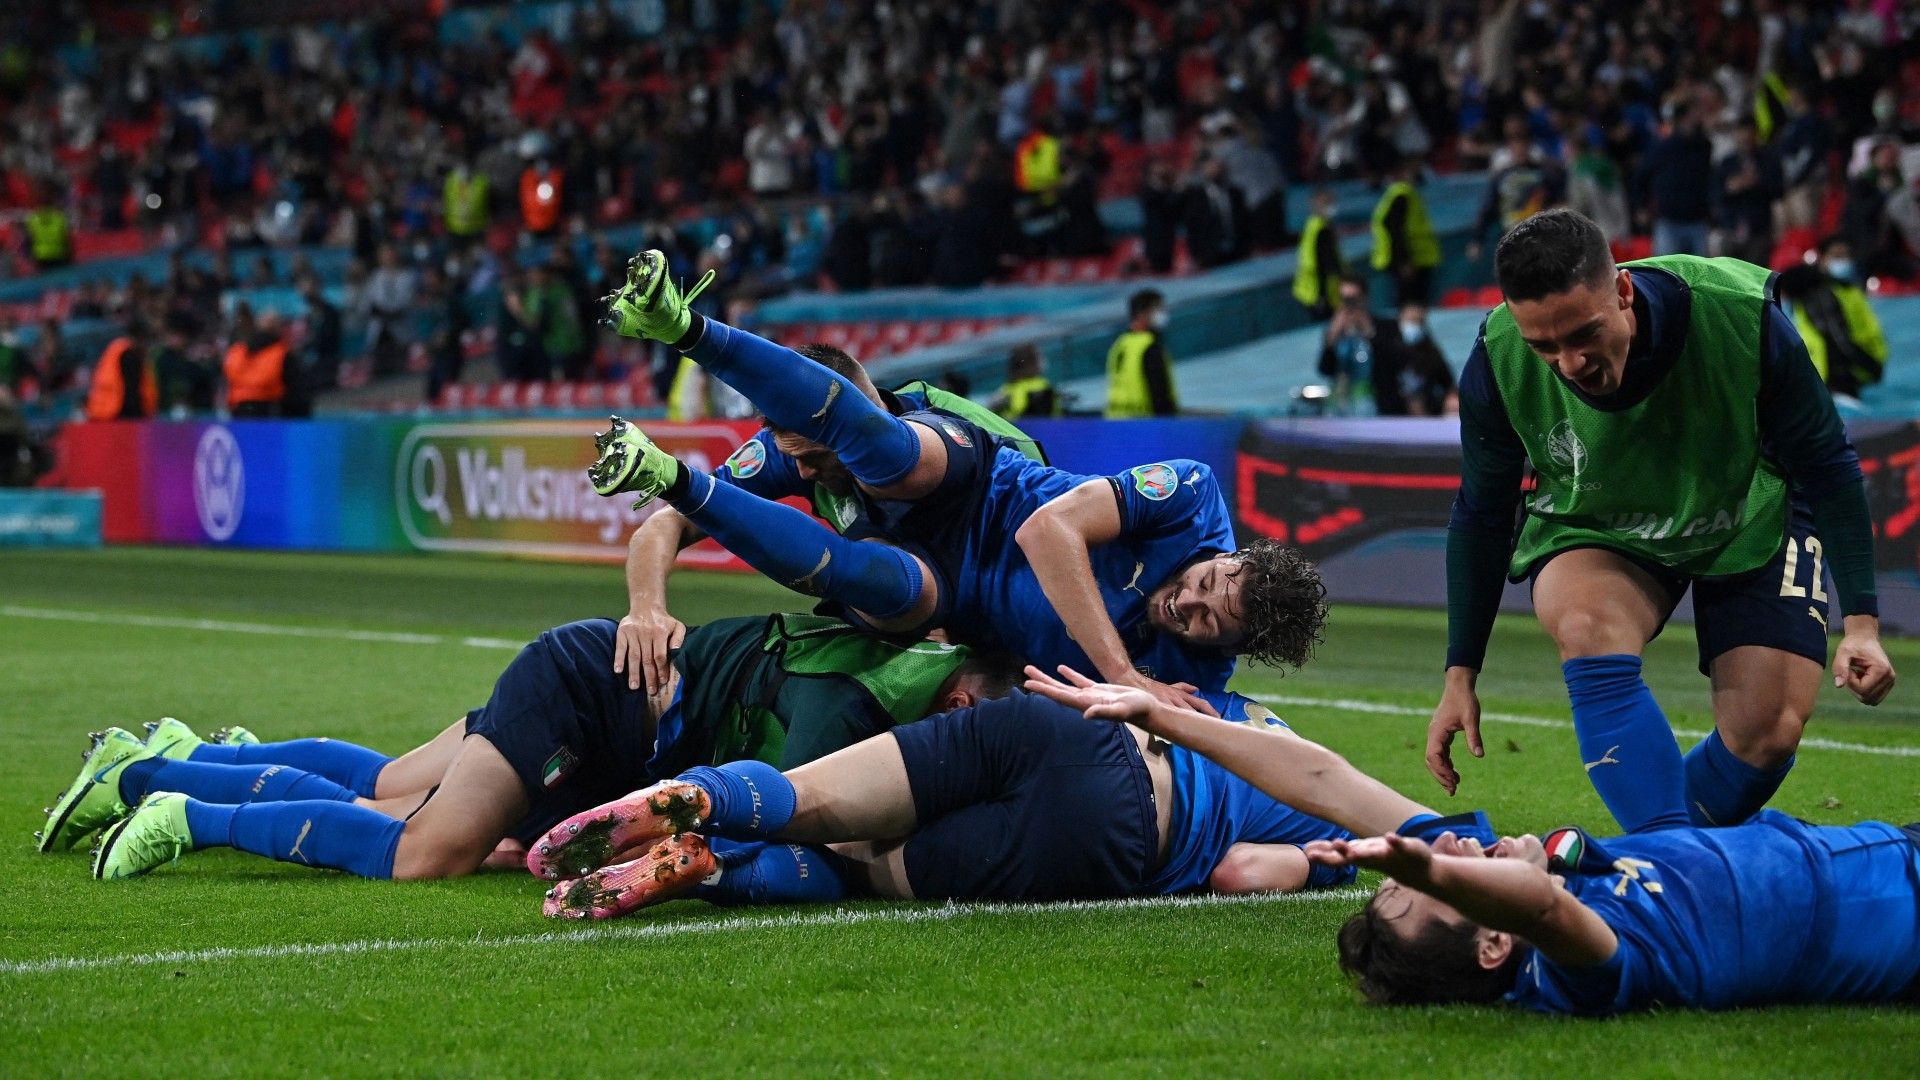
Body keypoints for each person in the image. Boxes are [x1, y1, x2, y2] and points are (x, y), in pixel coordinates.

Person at [598, 250, 1326, 706]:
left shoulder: (1198, 679)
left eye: (1206, 623)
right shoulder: (1193, 499)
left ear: (1232, 648)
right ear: (1232, 554)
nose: (1185, 606)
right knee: (895, 462)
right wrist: (644, 605)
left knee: (870, 581)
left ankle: (672, 471)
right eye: (1202, 587)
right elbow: (1048, 524)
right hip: (978, 493)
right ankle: (685, 328)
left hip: (955, 590)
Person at [1023, 668, 1920, 1017]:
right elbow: (1539, 903)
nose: (1448, 858)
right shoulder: (1582, 970)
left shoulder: (1522, 879)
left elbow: (1322, 780)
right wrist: (1419, 862)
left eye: (1419, 871)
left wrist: (1166, 721)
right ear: (1494, 941)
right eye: (1438, 883)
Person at [1430, 209, 1895, 841]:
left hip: (1747, 506)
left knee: (1768, 733)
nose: (1570, 363)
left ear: (1622, 291)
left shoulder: (1738, 313)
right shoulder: (1499, 356)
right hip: (1601, 525)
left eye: (1583, 334)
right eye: (1546, 346)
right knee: (1586, 625)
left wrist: (1863, 624)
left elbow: (1829, 464)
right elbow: (1482, 512)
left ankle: (1657, 856)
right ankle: (1669, 876)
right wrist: (1461, 672)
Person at [67, 613, 1022, 880]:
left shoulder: (897, 662)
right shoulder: (854, 706)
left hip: (622, 738)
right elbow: (794, 810)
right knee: (426, 851)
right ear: (963, 686)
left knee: (404, 793)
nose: (961, 739)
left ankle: (181, 757)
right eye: (974, 715)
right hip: (585, 692)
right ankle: (179, 807)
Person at [524, 674, 1495, 920]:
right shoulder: (1363, 844)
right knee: (860, 874)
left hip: (1068, 725)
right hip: (1117, 832)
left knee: (814, 795)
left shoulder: (1254, 719)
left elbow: (1190, 717)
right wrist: (1319, 879)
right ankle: (715, 871)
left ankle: (693, 799)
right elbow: (1242, 871)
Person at [620, 341, 1048, 692]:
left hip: (1008, 583)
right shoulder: (789, 447)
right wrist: (646, 609)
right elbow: (668, 521)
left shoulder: (969, 442)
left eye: (817, 456)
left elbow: (1039, 532)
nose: (804, 472)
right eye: (794, 457)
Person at [1775, 237, 1889, 402]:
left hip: (1848, 374)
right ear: (1822, 258)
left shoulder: (1847, 289)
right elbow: (1837, 337)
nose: (1843, 261)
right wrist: (1870, 364)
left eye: (1846, 255)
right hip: (1835, 376)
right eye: (1837, 256)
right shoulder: (1821, 294)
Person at [1317, 272, 1410, 416]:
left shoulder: (1386, 326)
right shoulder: (1334, 332)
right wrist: (1331, 339)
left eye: (1353, 299)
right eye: (1344, 300)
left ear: (1364, 298)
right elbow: (1325, 369)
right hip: (1346, 406)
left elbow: (1399, 363)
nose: (1349, 305)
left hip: (1383, 406)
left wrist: (1370, 332)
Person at [1370, 155, 1440, 308]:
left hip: (1413, 259)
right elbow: (1395, 230)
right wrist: (1404, 261)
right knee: (1412, 305)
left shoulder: (1395, 195)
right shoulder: (1401, 195)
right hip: (1411, 260)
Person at [1712, 119, 1783, 266]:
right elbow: (1714, 195)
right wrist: (1731, 188)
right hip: (1731, 229)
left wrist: (1757, 183)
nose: (1745, 139)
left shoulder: (1768, 160)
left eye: (1749, 136)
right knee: (1729, 275)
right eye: (1741, 136)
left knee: (1755, 276)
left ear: (1755, 135)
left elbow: (1779, 190)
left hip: (1759, 230)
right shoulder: (1727, 163)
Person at [1105, 288, 1178, 418]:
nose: (1163, 315)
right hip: (1145, 426)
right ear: (1142, 314)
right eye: (1159, 310)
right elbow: (1160, 396)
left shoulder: (1119, 344)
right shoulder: (1149, 347)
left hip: (1116, 424)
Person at [1292, 188, 1345, 322]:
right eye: (1327, 202)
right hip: (1319, 290)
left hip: (1309, 289)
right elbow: (1326, 263)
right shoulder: (1322, 230)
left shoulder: (1311, 225)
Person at [83, 326, 156, 422]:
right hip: (120, 413)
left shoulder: (114, 350)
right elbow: (131, 390)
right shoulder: (130, 356)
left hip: (104, 412)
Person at [223, 312, 288, 418]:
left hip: (238, 408)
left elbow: (228, 377)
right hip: (269, 410)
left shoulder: (236, 351)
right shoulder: (282, 353)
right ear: (278, 328)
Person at [1395, 304, 1456, 416]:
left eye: (1418, 322)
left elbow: (1448, 384)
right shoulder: (1389, 349)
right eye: (1410, 321)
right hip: (1392, 414)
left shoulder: (1432, 353)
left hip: (1427, 416)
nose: (1413, 326)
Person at [989, 344, 1059, 421]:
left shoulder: (1006, 389)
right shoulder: (1042, 385)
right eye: (1040, 357)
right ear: (1033, 363)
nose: (1044, 360)